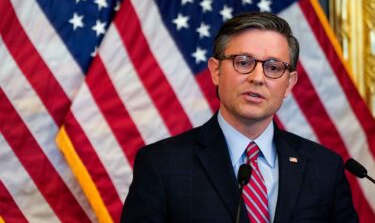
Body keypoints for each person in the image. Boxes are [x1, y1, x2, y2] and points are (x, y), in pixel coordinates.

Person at [120, 12, 359, 223]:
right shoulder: (162, 165)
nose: (257, 77)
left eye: (274, 68)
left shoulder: (325, 168)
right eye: (243, 62)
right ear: (216, 71)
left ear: (289, 84)